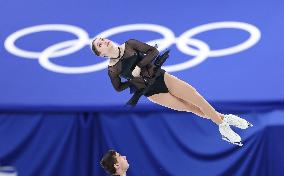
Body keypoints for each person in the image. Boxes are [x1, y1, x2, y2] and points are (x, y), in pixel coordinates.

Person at [91, 38, 253, 146]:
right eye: (100, 44)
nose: (103, 41)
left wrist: (139, 67)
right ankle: (224, 121)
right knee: (190, 107)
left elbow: (153, 52)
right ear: (101, 54)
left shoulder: (130, 44)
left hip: (162, 77)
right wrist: (132, 80)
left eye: (102, 39)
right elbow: (118, 88)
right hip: (151, 92)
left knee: (196, 98)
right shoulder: (113, 70)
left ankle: (223, 125)